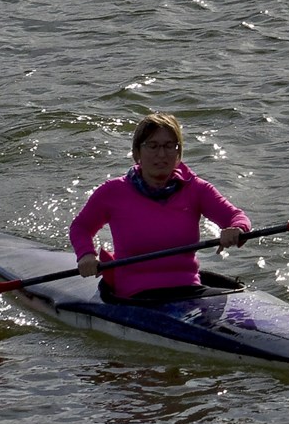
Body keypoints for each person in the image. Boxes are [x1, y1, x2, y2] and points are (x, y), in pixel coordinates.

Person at [70, 114, 251, 305]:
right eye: (153, 146)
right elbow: (81, 227)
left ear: (178, 152)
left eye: (169, 146)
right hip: (135, 295)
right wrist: (86, 254)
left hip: (189, 288)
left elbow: (236, 216)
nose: (162, 154)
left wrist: (237, 229)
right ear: (137, 152)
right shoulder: (112, 192)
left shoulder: (196, 189)